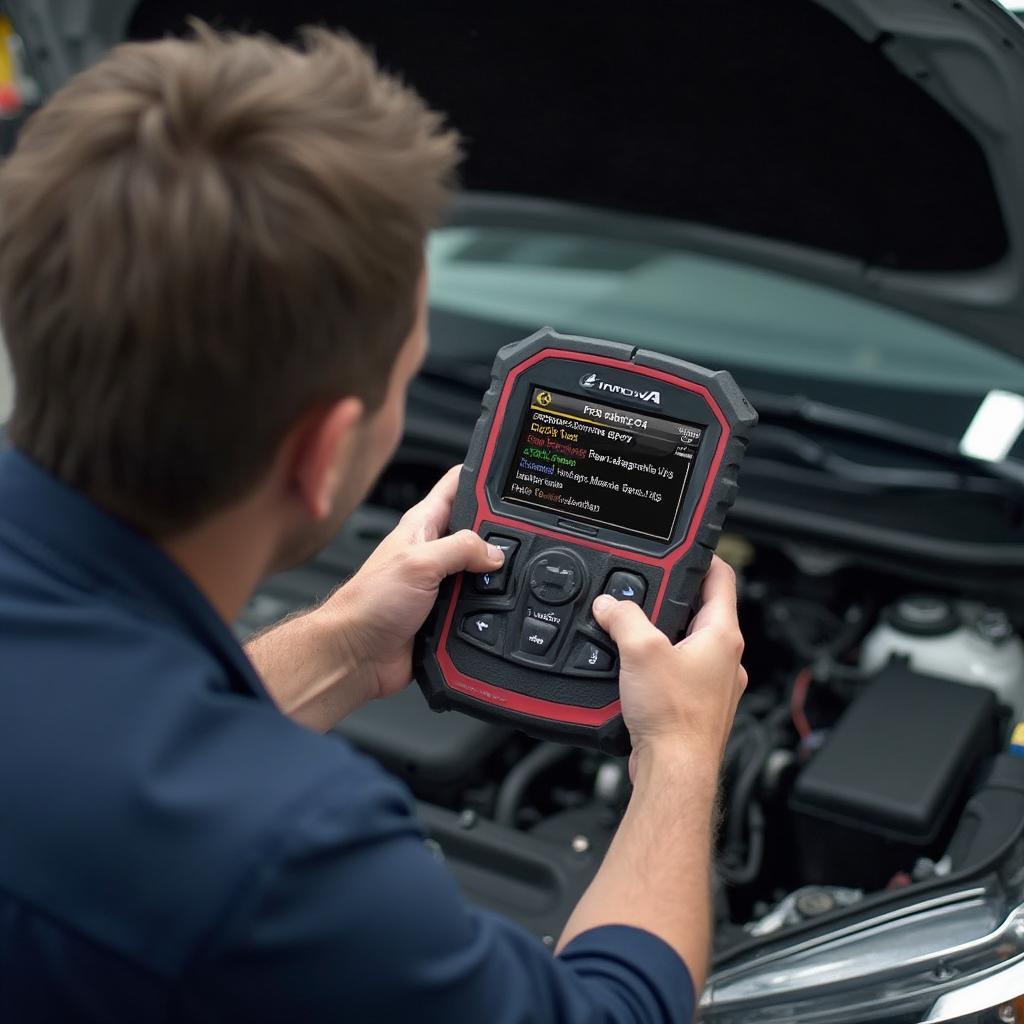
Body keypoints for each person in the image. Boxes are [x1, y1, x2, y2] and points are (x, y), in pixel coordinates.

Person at [0, 24, 747, 1024]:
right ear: (320, 456)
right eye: (408, 374)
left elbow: (98, 756)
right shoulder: (284, 855)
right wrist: (683, 753)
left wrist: (346, 649)